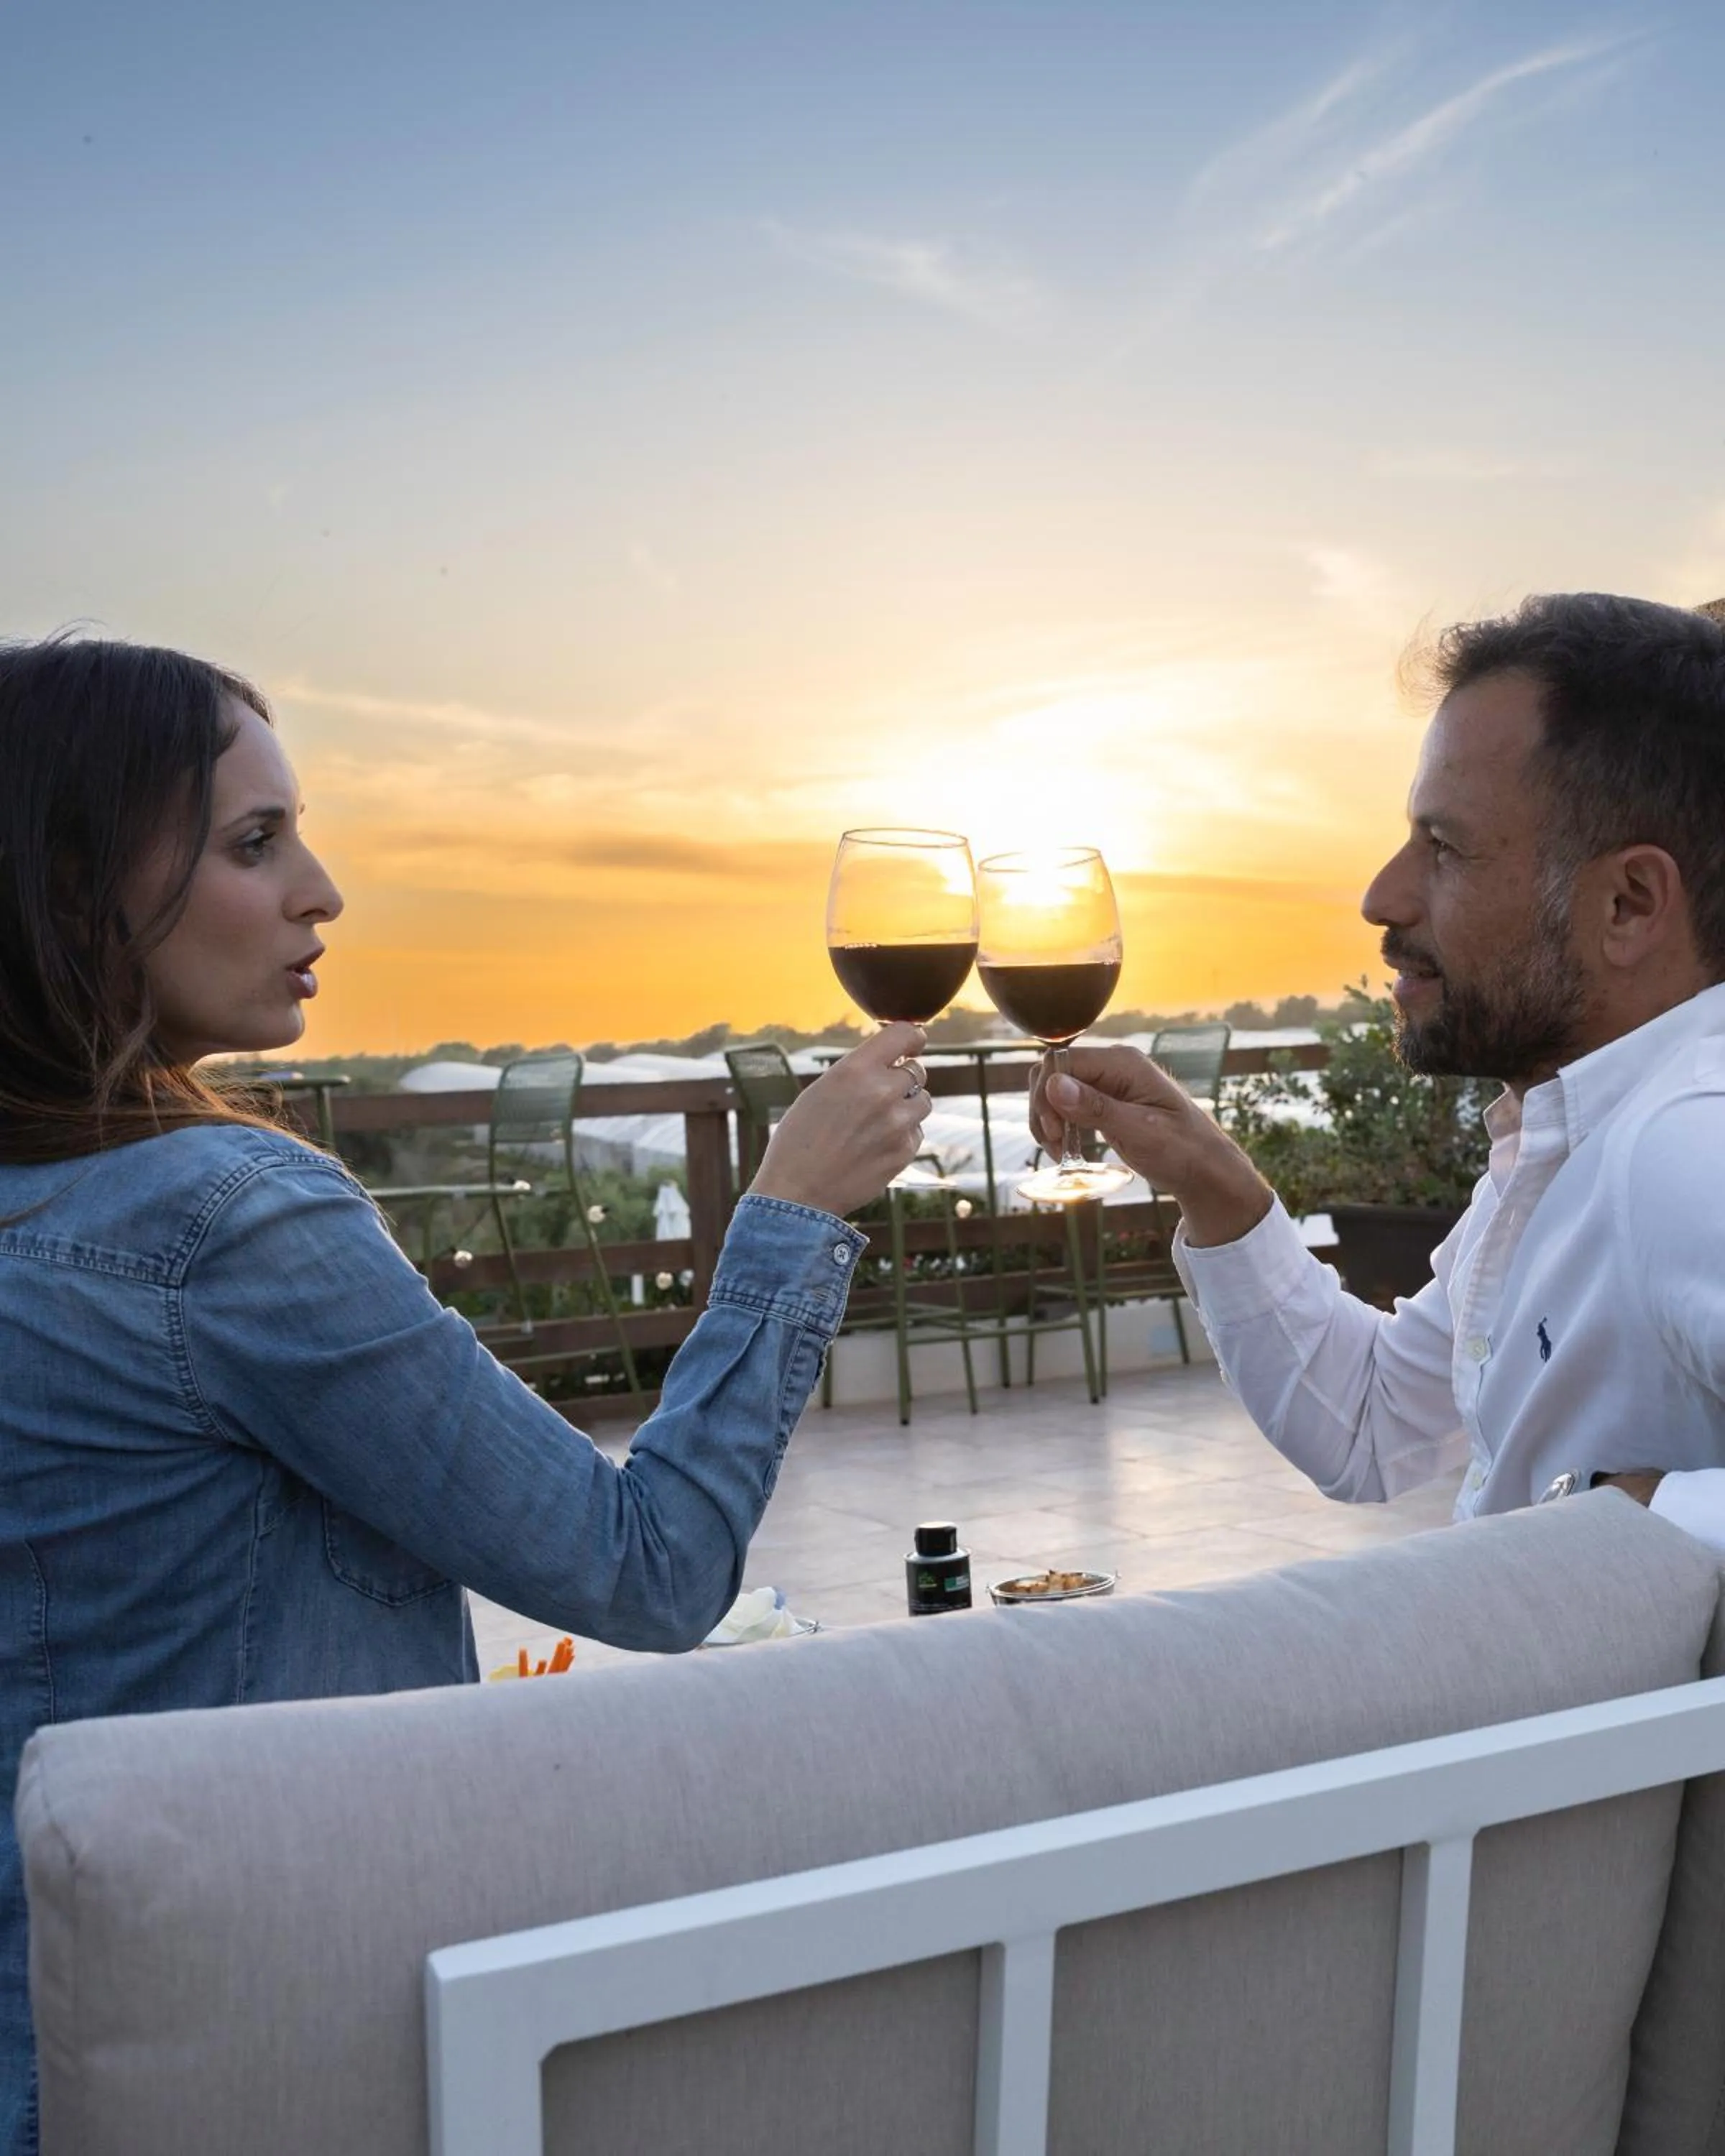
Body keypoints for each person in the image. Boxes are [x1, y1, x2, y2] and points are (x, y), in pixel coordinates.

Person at [0, 634, 932, 2154]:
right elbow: (646, 1568)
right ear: (71, 887)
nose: (323, 889)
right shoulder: (228, 1218)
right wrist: (795, 1212)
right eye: (255, 841)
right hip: (252, 2047)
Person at [1033, 591, 1725, 1539]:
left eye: (1444, 848)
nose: (1380, 896)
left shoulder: (1684, 1144)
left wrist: (1626, 1522)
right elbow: (1370, 1423)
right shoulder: (1575, 1142)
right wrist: (1211, 1180)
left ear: (1630, 903)